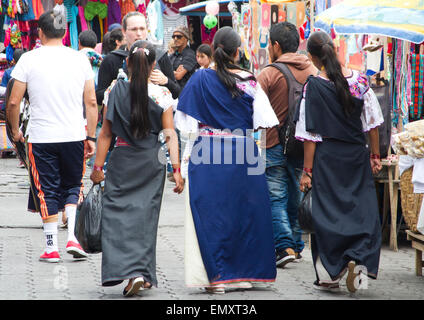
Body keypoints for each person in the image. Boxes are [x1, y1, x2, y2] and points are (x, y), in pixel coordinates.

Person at [175, 26, 278, 294]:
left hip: (207, 151)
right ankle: (244, 273)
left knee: (211, 213)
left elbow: (183, 123)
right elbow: (263, 122)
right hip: (244, 152)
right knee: (245, 213)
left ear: (214, 50)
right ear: (236, 52)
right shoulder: (249, 80)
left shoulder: (199, 79)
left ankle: (217, 277)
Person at [90, 41, 184, 297]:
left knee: (117, 218)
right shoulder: (162, 95)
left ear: (127, 63)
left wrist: (97, 167)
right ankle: (141, 273)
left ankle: (131, 272)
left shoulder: (114, 91)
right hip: (152, 162)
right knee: (145, 219)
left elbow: (106, 135)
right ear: (153, 65)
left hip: (121, 161)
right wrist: (176, 169)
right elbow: (170, 135)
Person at [295, 31, 383, 293]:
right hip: (356, 157)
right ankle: (360, 266)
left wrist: (307, 171)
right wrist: (375, 156)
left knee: (327, 215)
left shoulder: (314, 87)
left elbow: (310, 135)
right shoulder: (359, 82)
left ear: (312, 57)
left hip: (327, 160)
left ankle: (330, 275)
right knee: (362, 212)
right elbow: (373, 124)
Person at [6, 9, 98, 263]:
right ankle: (73, 238)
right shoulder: (80, 60)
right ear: (65, 32)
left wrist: (14, 131)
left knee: (46, 190)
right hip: (74, 135)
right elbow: (91, 101)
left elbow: (13, 102)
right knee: (73, 185)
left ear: (40, 32)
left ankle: (51, 247)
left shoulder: (29, 60)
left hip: (41, 137)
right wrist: (90, 136)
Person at [257, 22, 318, 268]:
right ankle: (295, 244)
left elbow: (254, 109)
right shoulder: (313, 70)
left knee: (276, 197)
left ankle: (284, 246)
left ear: (276, 46)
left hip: (274, 143)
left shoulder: (269, 73)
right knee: (295, 195)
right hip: (304, 147)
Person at [96, 11, 180, 106]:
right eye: (134, 29)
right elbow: (99, 97)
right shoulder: (112, 59)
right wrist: (115, 87)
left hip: (154, 117)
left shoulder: (160, 55)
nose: (139, 33)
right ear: (124, 31)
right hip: (122, 116)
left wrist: (166, 81)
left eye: (142, 28)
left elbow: (176, 93)